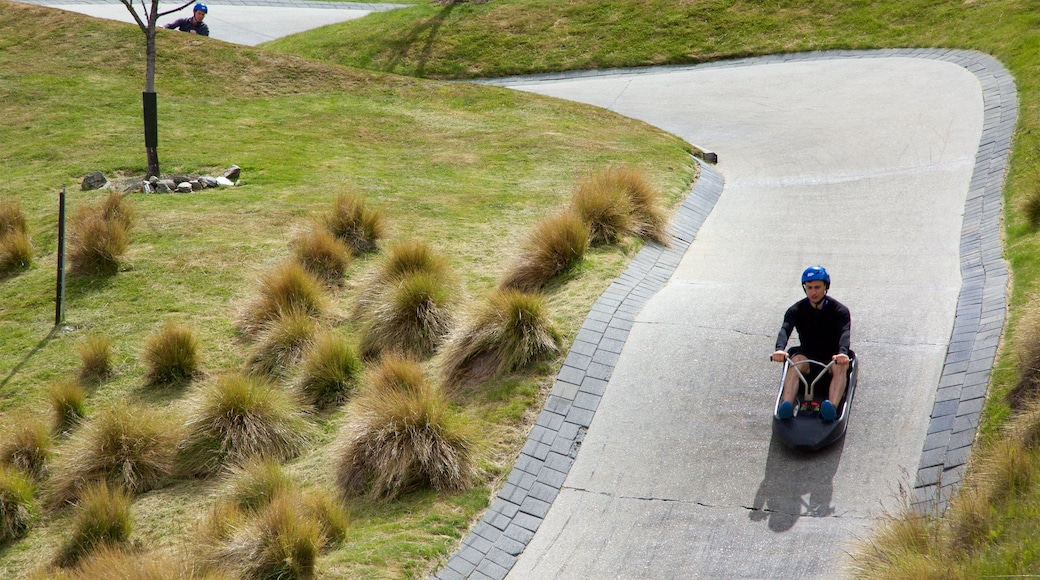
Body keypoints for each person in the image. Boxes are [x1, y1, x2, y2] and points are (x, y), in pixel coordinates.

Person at [771, 266, 852, 421]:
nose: (813, 292)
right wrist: (779, 349)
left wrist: (842, 353)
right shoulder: (796, 310)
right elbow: (785, 329)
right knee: (795, 362)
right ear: (805, 288)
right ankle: (786, 405)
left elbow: (844, 333)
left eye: (817, 287)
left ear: (825, 287)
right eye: (809, 288)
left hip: (831, 358)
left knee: (841, 365)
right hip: (808, 357)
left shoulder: (840, 310)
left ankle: (832, 409)